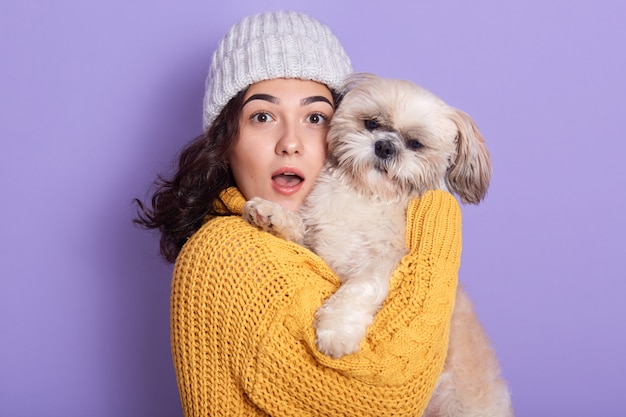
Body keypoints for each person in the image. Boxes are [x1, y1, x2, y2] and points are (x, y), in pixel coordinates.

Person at [135, 11, 462, 417]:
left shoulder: (300, 233)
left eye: (314, 118)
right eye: (262, 116)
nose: (290, 143)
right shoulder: (222, 253)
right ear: (224, 140)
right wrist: (440, 234)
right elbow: (385, 403)